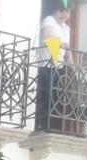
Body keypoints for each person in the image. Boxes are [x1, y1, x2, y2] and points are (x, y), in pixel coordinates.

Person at [35, 4, 72, 132]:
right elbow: (47, 35)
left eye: (67, 12)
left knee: (55, 96)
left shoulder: (66, 28)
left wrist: (71, 62)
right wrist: (61, 44)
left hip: (59, 66)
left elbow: (67, 48)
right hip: (46, 64)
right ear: (55, 11)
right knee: (45, 94)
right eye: (62, 11)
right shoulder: (49, 20)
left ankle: (51, 125)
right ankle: (41, 124)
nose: (65, 15)